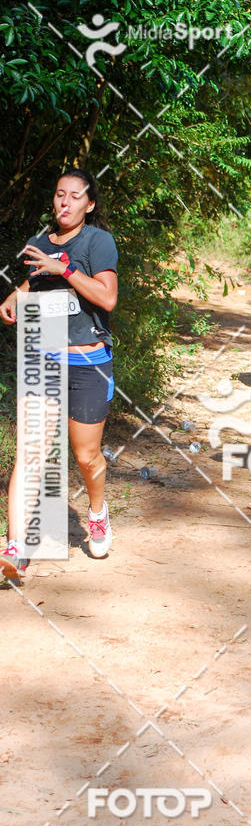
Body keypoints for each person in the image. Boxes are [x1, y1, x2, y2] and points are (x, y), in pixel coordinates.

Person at [0, 168, 118, 581]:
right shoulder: (40, 241)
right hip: (44, 357)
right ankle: (16, 549)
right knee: (31, 451)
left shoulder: (98, 242)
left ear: (90, 204)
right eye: (59, 194)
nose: (64, 202)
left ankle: (98, 513)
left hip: (88, 361)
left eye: (74, 196)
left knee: (85, 456)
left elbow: (107, 297)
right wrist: (14, 297)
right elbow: (35, 284)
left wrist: (63, 268)